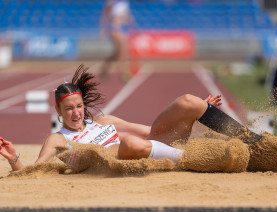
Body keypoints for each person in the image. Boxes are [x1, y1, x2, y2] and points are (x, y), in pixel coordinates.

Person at [0, 65, 262, 172]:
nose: (76, 113)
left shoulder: (103, 121)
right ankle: (194, 160)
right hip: (122, 163)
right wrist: (14, 158)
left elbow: (150, 130)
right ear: (58, 112)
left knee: (188, 101)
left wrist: (192, 117)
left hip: (150, 147)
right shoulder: (57, 140)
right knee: (129, 145)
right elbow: (36, 172)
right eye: (69, 109)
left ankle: (255, 142)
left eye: (79, 106)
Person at [99, 0, 138, 82]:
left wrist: (132, 25)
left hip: (122, 29)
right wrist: (103, 29)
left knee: (118, 53)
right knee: (122, 52)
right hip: (115, 30)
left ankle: (105, 67)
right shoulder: (111, 2)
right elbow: (105, 15)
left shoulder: (124, 3)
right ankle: (124, 74)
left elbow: (126, 16)